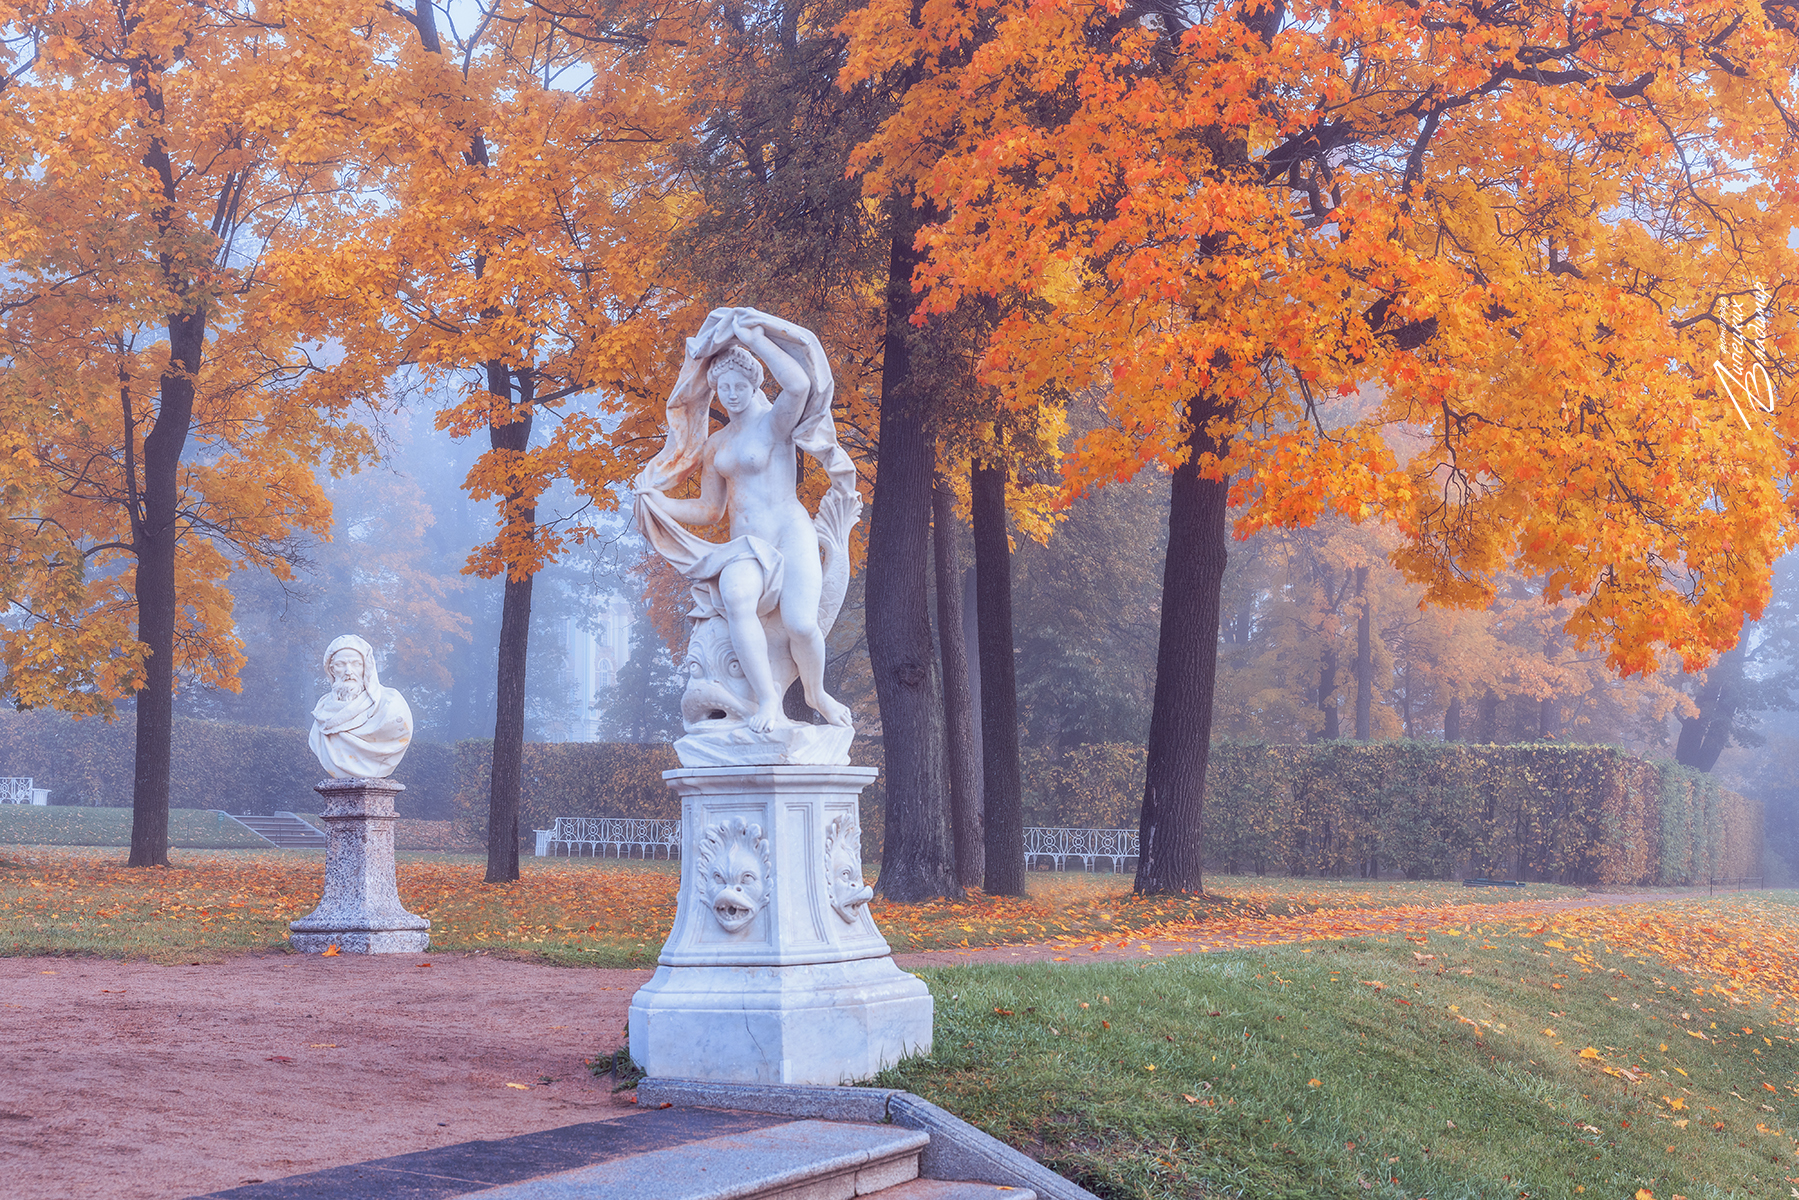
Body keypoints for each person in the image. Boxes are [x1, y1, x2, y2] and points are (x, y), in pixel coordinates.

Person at [634, 308, 860, 735]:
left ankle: (815, 693)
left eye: (739, 385)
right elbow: (709, 510)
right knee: (738, 598)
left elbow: (798, 384)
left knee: (800, 624)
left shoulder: (775, 423)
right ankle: (769, 700)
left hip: (789, 532)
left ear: (755, 383)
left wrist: (753, 338)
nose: (731, 395)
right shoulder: (716, 444)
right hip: (747, 545)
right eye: (722, 388)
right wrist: (658, 503)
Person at [308, 634, 414, 778]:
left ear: (366, 668)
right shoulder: (321, 712)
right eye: (340, 664)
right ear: (331, 670)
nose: (348, 671)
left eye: (356, 664)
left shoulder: (391, 706)